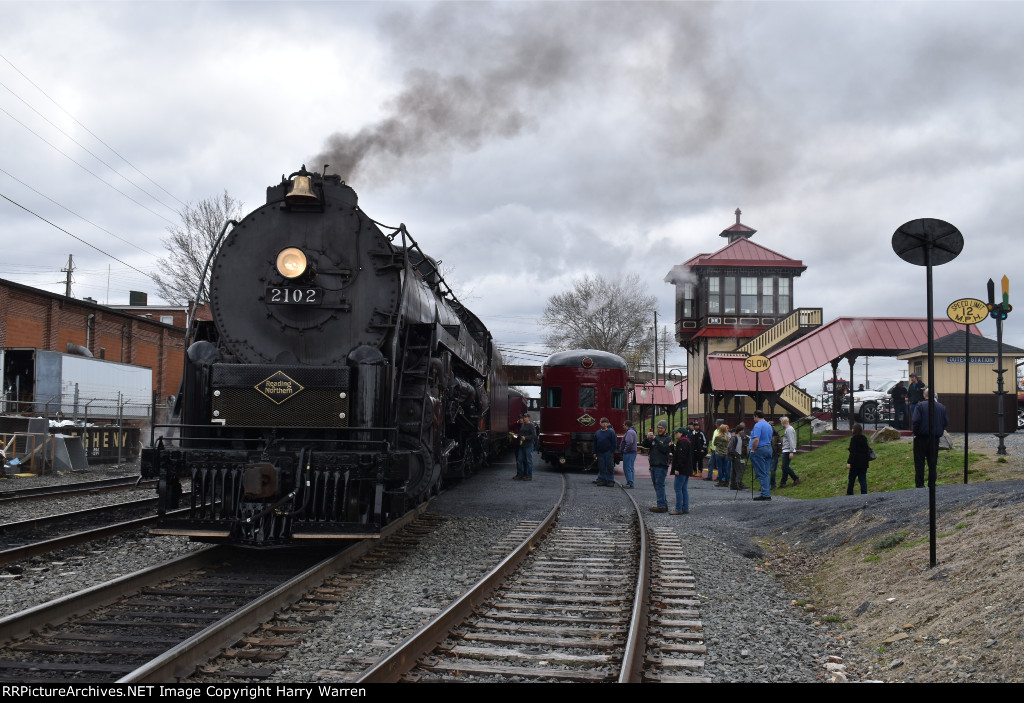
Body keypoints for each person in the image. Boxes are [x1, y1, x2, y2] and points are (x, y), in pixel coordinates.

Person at [912, 388, 948, 488]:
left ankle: (920, 484)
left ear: (924, 395)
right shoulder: (941, 407)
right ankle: (932, 484)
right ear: (934, 395)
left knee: (919, 462)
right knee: (932, 462)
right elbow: (945, 422)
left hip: (921, 437)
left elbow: (916, 421)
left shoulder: (920, 406)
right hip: (935, 438)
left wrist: (915, 433)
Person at [642, 420, 672, 512]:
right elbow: (645, 445)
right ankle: (664, 504)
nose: (659, 430)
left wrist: (655, 439)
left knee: (659, 485)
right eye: (658, 428)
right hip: (653, 465)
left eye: (661, 428)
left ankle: (661, 506)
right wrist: (647, 438)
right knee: (657, 485)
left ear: (665, 429)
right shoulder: (655, 438)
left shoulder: (668, 439)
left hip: (661, 465)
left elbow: (664, 448)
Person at [749, 410, 774, 501]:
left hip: (759, 449)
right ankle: (767, 492)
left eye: (754, 417)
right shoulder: (768, 425)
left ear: (756, 416)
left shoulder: (758, 425)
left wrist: (752, 449)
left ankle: (765, 494)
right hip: (768, 448)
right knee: (766, 472)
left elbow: (756, 439)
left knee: (761, 472)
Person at [670, 427, 692, 514]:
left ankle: (678, 508)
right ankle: (685, 507)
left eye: (677, 433)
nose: (676, 434)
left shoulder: (682, 442)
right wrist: (672, 448)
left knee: (678, 488)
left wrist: (677, 468)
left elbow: (681, 457)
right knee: (684, 489)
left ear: (681, 433)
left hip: (682, 469)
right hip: (687, 469)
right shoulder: (687, 441)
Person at [593, 417, 618, 487]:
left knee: (610, 467)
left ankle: (610, 481)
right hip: (600, 452)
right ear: (600, 424)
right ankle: (602, 480)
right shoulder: (597, 433)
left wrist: (611, 451)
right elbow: (595, 443)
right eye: (603, 423)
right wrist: (594, 452)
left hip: (608, 452)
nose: (604, 424)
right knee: (601, 467)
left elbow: (614, 443)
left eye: (605, 423)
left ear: (607, 424)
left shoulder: (611, 432)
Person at [846, 422, 871, 494]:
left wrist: (849, 462)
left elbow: (853, 453)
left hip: (855, 463)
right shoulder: (864, 438)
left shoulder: (853, 439)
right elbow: (867, 450)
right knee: (863, 479)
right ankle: (864, 493)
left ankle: (849, 494)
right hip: (864, 463)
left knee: (851, 479)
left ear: (854, 430)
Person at [514, 413, 538, 481]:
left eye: (525, 417)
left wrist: (526, 438)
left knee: (529, 461)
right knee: (519, 460)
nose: (524, 418)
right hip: (522, 445)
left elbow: (534, 435)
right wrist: (517, 435)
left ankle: (529, 476)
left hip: (528, 446)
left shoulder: (531, 425)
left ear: (528, 418)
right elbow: (521, 434)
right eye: (523, 417)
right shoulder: (523, 425)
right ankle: (519, 475)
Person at [778, 416, 801, 487]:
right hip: (786, 449)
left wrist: (791, 451)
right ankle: (783, 482)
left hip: (788, 450)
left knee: (785, 467)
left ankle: (796, 478)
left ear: (783, 422)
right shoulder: (788, 429)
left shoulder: (789, 430)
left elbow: (791, 440)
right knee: (785, 467)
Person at [619, 420, 638, 488]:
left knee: (627, 468)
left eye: (624, 425)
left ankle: (629, 483)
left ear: (626, 425)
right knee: (631, 468)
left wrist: (625, 450)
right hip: (632, 452)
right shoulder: (633, 431)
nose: (623, 426)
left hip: (629, 453)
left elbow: (629, 442)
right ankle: (631, 482)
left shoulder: (629, 432)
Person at [727, 423, 746, 490]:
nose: (743, 431)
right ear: (739, 431)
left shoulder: (740, 437)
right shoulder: (734, 438)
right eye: (742, 430)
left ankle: (733, 484)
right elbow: (730, 447)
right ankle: (739, 483)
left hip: (737, 455)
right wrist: (735, 453)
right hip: (735, 456)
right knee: (738, 470)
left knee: (734, 471)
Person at [769, 419, 783, 489]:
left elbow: (780, 443)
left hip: (774, 454)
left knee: (772, 470)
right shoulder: (766, 434)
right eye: (771, 425)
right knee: (767, 470)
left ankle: (773, 484)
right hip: (767, 454)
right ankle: (766, 485)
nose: (772, 426)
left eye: (773, 425)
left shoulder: (776, 434)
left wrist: (779, 452)